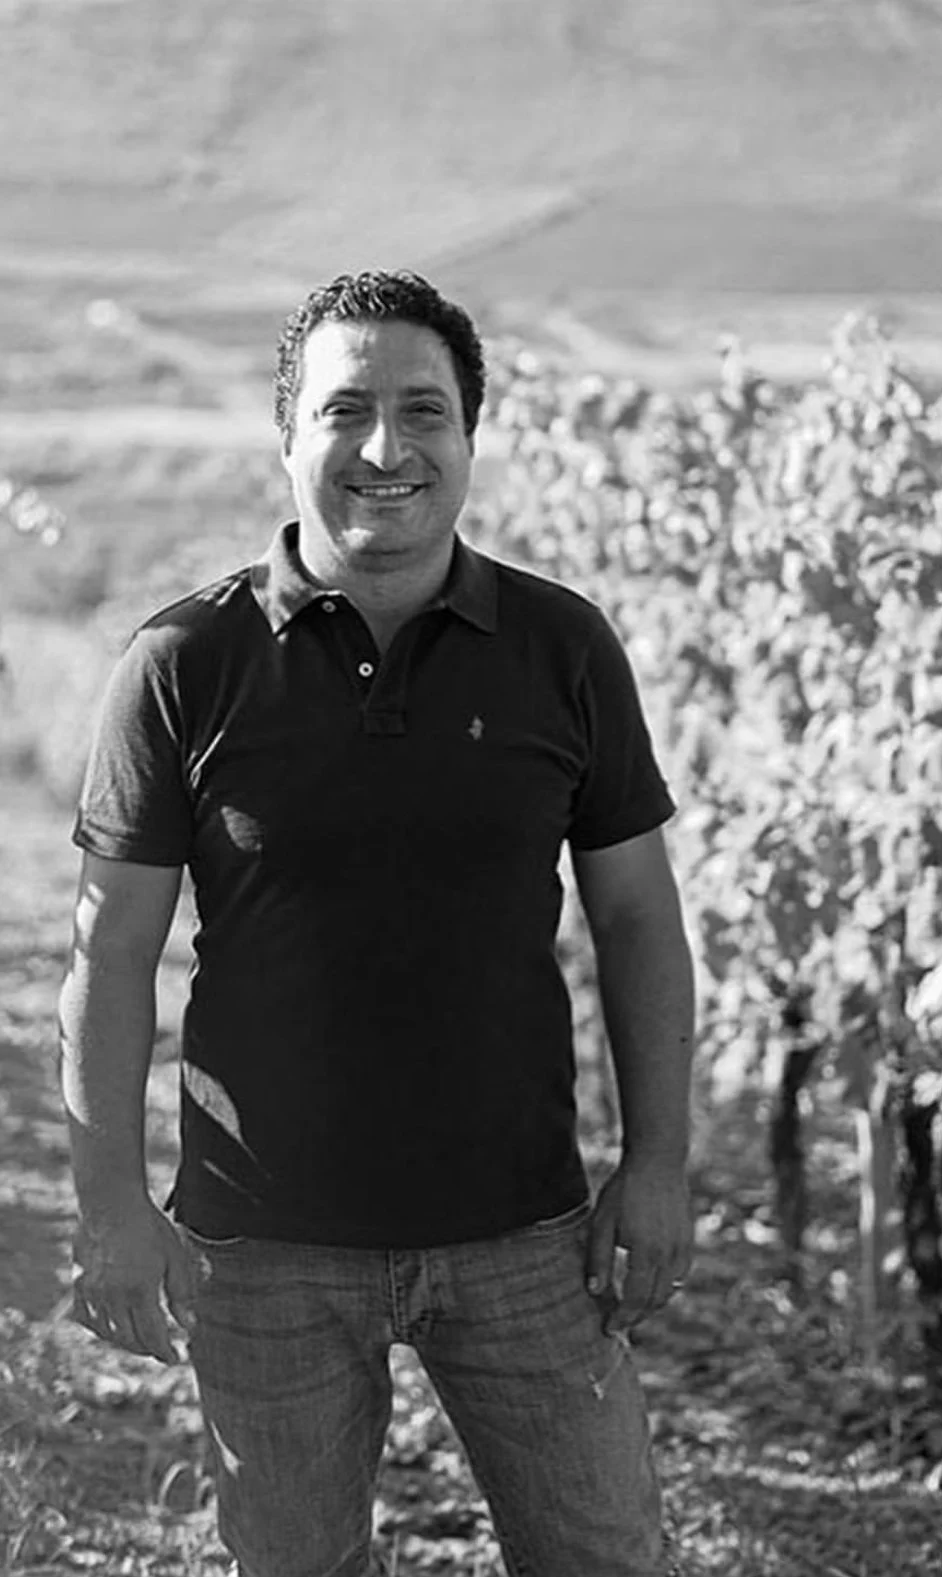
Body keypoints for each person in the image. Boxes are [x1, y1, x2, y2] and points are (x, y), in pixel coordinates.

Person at [57, 269, 696, 1577]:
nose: (387, 450)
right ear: (286, 435)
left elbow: (637, 916)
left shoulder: (564, 648)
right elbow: (110, 950)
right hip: (262, 1254)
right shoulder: (185, 665)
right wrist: (111, 1202)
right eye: (347, 412)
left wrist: (661, 1162)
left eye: (426, 412)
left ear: (471, 436)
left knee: (611, 1562)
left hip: (525, 1236)